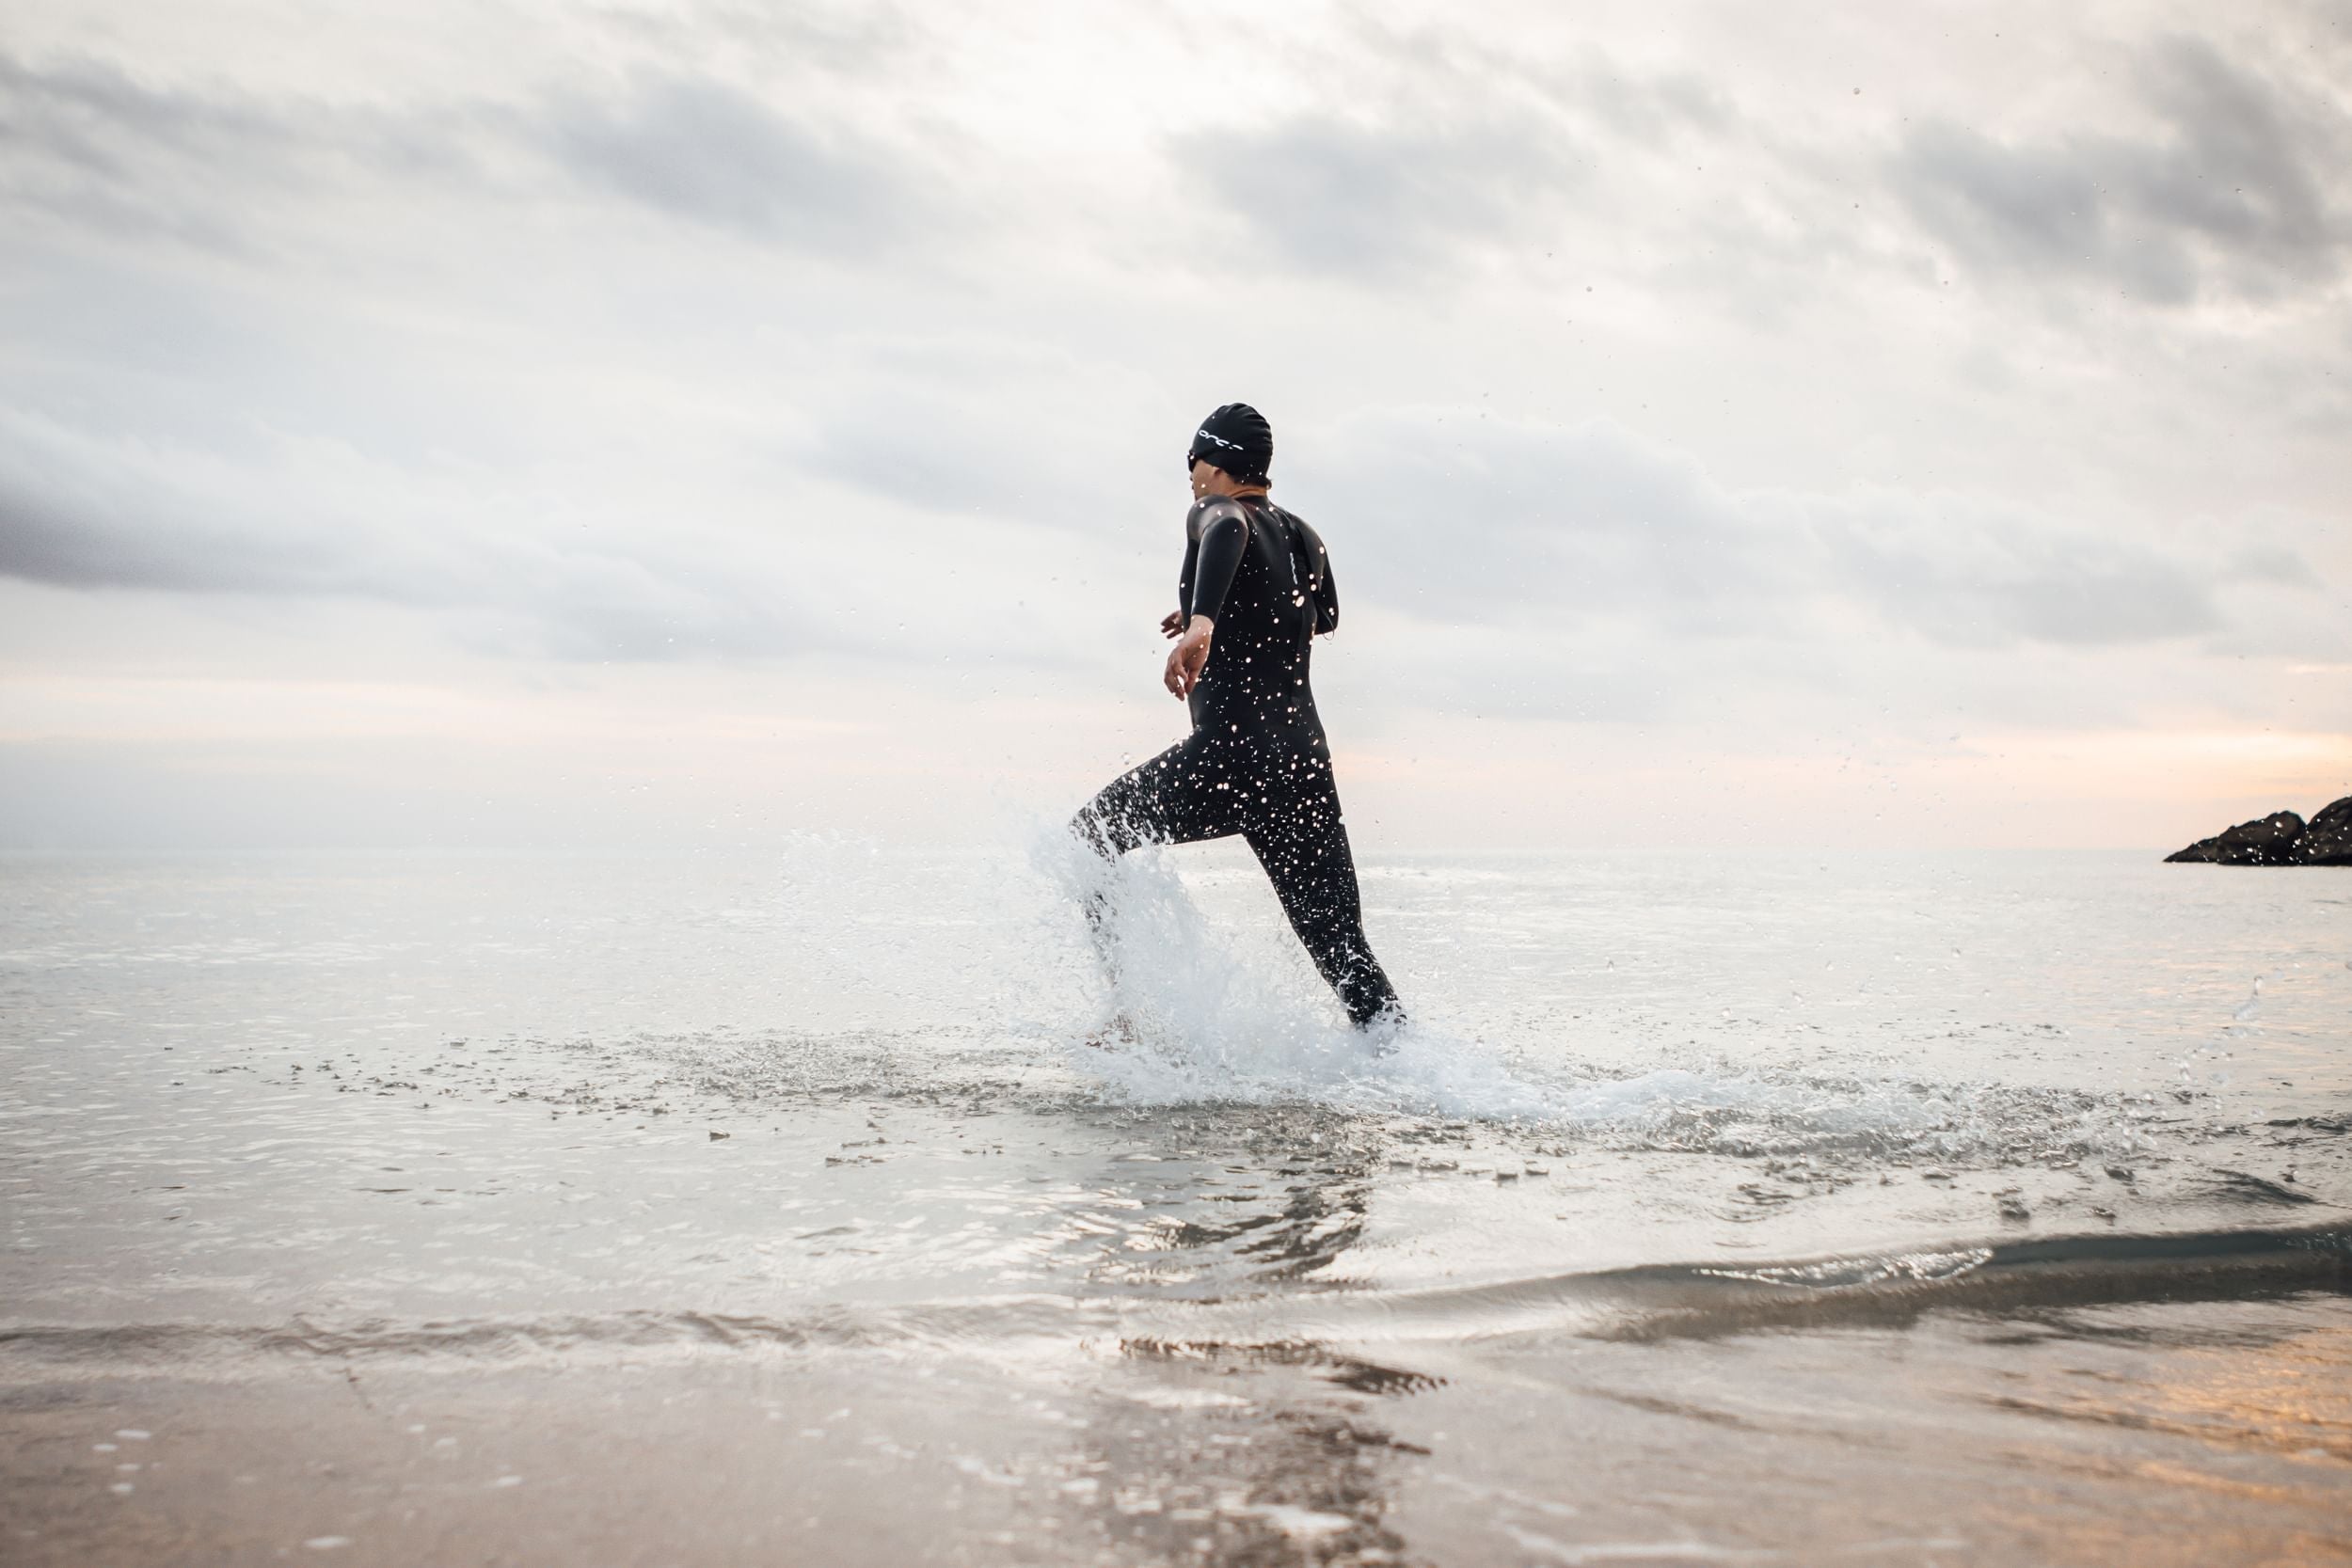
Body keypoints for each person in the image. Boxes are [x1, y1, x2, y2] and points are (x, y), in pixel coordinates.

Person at [1072, 403, 1405, 1030]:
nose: (1191, 475)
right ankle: (1408, 1060)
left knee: (1087, 843)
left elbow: (1225, 525)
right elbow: (1323, 615)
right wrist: (1219, 604)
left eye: (1192, 460)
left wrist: (1203, 619)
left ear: (1216, 460)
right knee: (1341, 947)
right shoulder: (1306, 535)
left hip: (1231, 756)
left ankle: (1127, 1020)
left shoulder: (1215, 511)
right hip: (1302, 763)